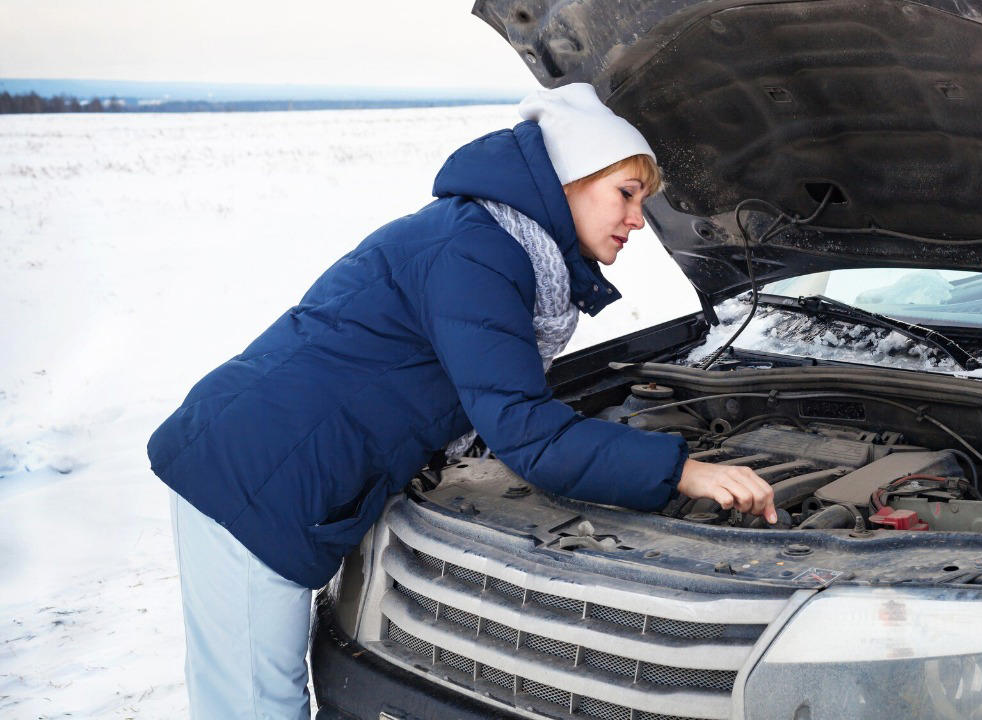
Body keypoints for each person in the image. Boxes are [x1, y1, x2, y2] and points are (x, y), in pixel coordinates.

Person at [148, 83, 777, 719]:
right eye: (626, 193)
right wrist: (684, 470)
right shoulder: (475, 252)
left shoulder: (493, 243)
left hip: (281, 463)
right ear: (569, 179)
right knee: (254, 706)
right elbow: (526, 430)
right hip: (255, 474)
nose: (639, 219)